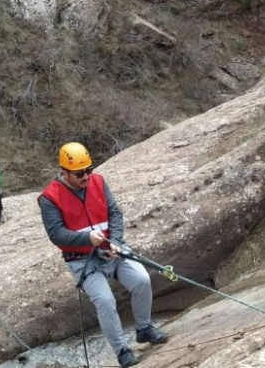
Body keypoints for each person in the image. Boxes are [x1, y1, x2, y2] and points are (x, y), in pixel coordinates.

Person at [38, 142, 167, 368]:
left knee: (142, 280)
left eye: (89, 170)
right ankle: (122, 350)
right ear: (65, 172)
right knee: (106, 302)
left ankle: (144, 329)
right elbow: (56, 234)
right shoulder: (50, 198)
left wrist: (115, 241)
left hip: (112, 249)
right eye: (80, 173)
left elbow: (114, 212)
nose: (87, 176)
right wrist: (86, 238)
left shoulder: (98, 182)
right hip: (82, 259)